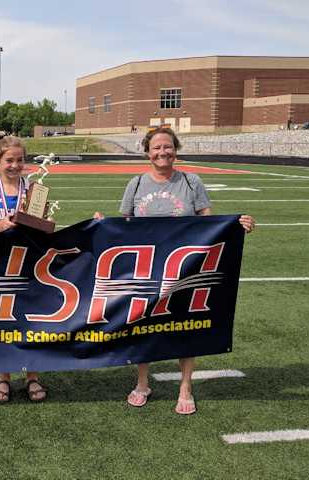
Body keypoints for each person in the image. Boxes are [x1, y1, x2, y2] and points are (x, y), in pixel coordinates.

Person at [94, 126, 255, 415]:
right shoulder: (136, 183)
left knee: (185, 326)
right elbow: (126, 227)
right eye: (156, 148)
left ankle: (185, 387)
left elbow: (209, 225)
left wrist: (236, 224)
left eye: (167, 147)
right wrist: (103, 225)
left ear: (175, 150)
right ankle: (142, 383)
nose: (162, 152)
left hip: (184, 271)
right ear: (147, 152)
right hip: (146, 272)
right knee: (142, 326)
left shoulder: (191, 182)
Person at [0, 131, 47, 403]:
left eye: (20, 160)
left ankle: (32, 376)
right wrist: (4, 224)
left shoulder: (36, 189)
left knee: (31, 321)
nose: (15, 166)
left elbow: (45, 226)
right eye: (10, 161)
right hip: (0, 264)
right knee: (3, 322)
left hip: (30, 263)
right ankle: (3, 377)